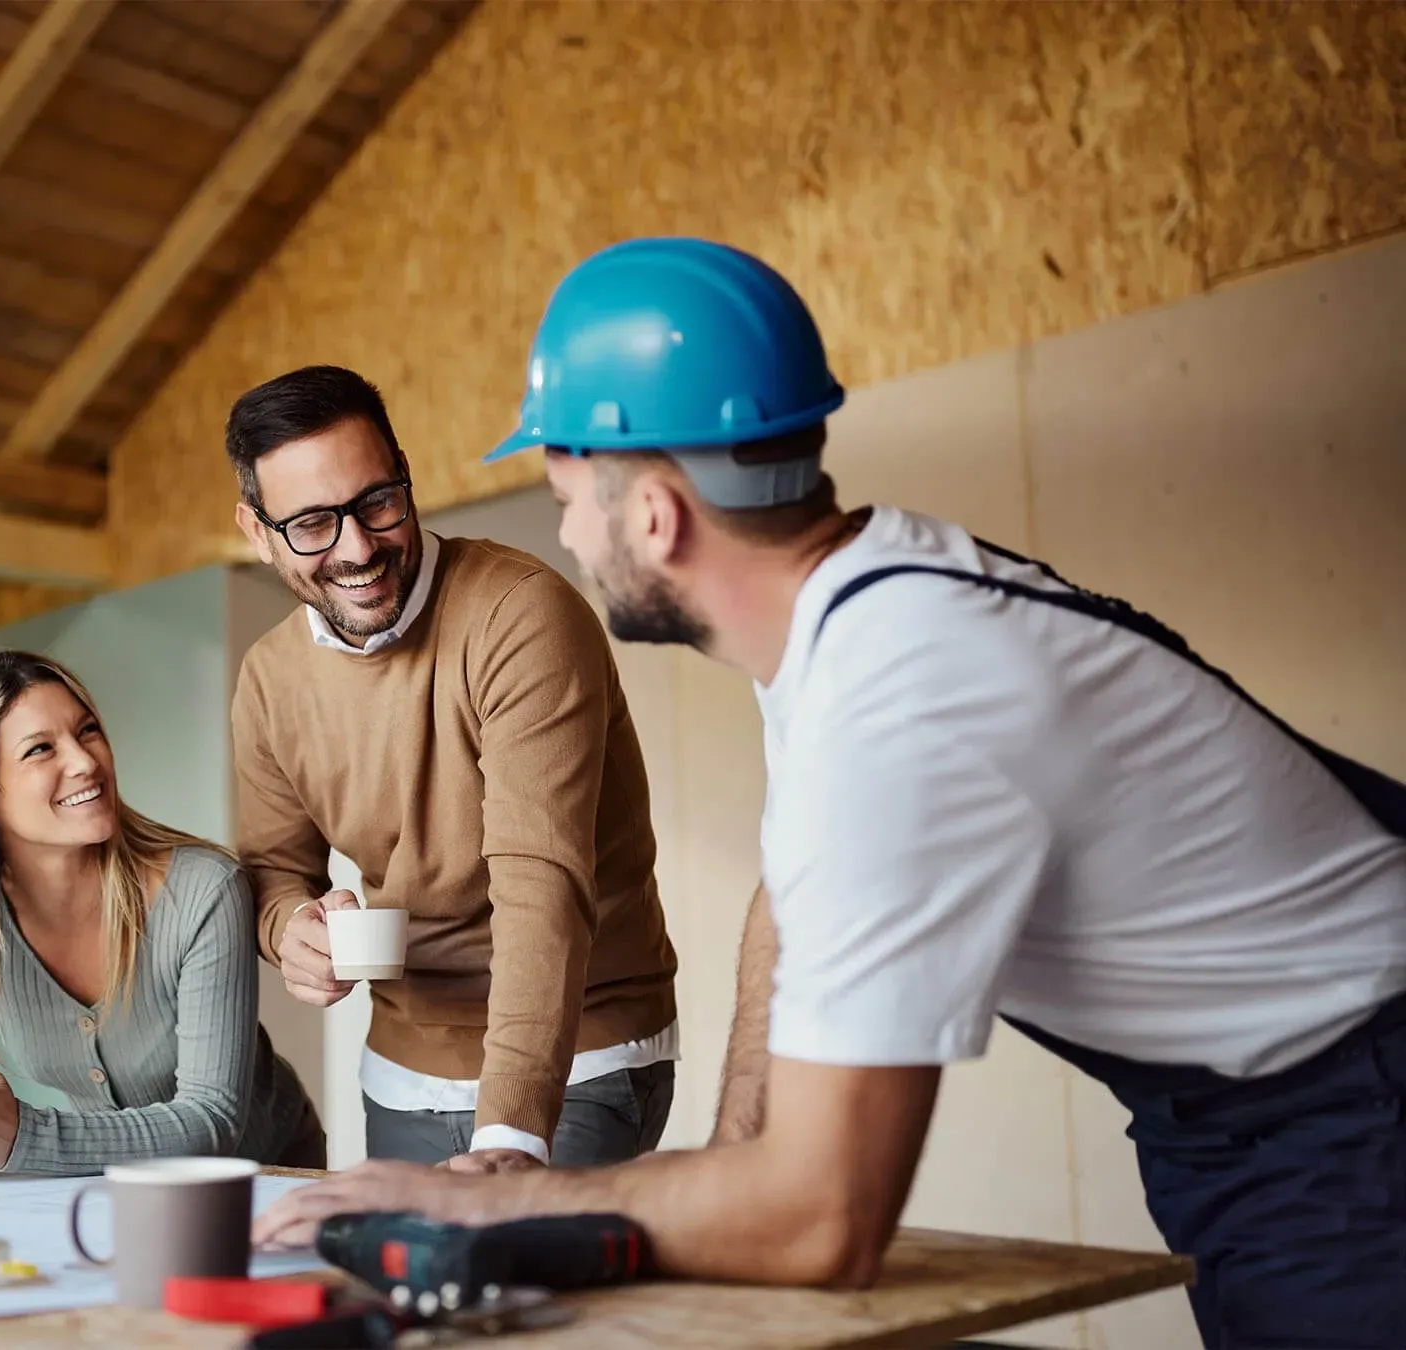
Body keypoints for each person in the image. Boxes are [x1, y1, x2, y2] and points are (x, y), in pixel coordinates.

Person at [255, 239, 1406, 1349]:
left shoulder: (898, 698)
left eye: (564, 494)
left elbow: (825, 1219)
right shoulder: (854, 608)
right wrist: (726, 1159)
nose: (560, 530)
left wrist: (491, 1199)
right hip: (1250, 1104)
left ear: (653, 516)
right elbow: (787, 900)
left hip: (1351, 1100)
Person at [226, 364, 680, 1171]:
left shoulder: (518, 613)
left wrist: (509, 1131)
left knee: (531, 1293)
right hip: (402, 1074)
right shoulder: (268, 679)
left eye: (377, 501)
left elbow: (541, 884)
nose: (359, 547)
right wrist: (290, 930)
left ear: (405, 473)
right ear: (258, 533)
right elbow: (273, 870)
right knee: (408, 1295)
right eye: (313, 525)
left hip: (578, 1060)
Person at [0, 649, 322, 1176]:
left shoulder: (203, 891)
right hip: (113, 1191)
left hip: (268, 1179)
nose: (84, 762)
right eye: (40, 749)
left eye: (87, 731)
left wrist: (21, 1135)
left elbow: (212, 1122)